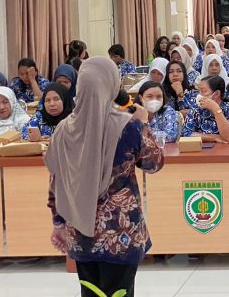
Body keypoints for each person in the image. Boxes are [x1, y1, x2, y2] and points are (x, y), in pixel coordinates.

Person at [45, 57, 163, 297]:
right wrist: (143, 122)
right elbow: (154, 164)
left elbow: (56, 182)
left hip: (80, 232)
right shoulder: (129, 126)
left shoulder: (63, 129)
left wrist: (58, 223)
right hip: (122, 234)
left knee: (91, 294)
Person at [182, 76, 229, 142]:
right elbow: (185, 134)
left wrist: (216, 110)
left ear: (216, 94)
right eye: (199, 91)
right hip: (201, 148)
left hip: (226, 148)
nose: (199, 95)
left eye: (203, 91)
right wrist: (213, 137)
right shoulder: (195, 109)